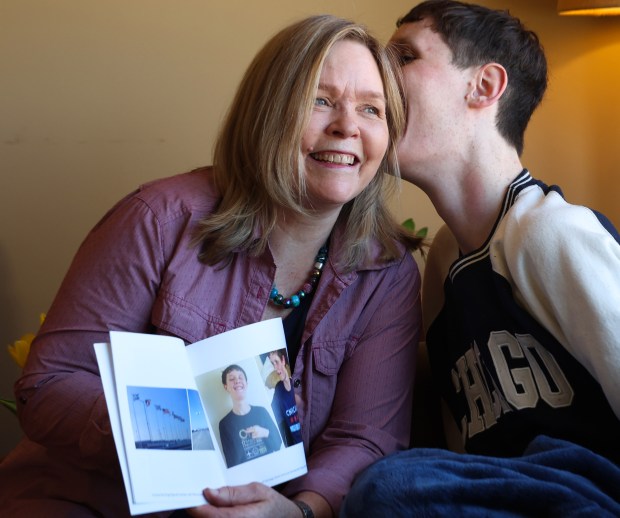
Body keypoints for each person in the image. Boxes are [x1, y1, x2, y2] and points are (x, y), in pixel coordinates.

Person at [0, 14, 424, 518]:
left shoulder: (386, 272)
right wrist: (184, 441)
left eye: (371, 109)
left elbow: (366, 437)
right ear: (268, 113)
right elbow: (49, 387)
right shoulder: (158, 219)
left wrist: (300, 512)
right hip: (89, 503)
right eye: (320, 100)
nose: (347, 126)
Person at [342, 1, 620, 516]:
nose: (379, 78)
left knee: (390, 487)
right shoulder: (443, 262)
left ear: (485, 87)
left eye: (404, 56)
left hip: (593, 487)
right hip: (506, 490)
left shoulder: (551, 232)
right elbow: (463, 454)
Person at [218, 364, 282, 468]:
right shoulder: (224, 424)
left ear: (246, 384)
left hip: (272, 468)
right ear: (226, 387)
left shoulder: (262, 412)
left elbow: (278, 445)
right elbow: (232, 464)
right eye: (231, 379)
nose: (237, 381)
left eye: (240, 377)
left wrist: (264, 432)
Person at [268, 349, 302, 447]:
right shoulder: (278, 389)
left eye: (277, 362)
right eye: (272, 364)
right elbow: (273, 416)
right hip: (294, 445)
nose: (275, 368)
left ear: (283, 360)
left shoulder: (297, 383)